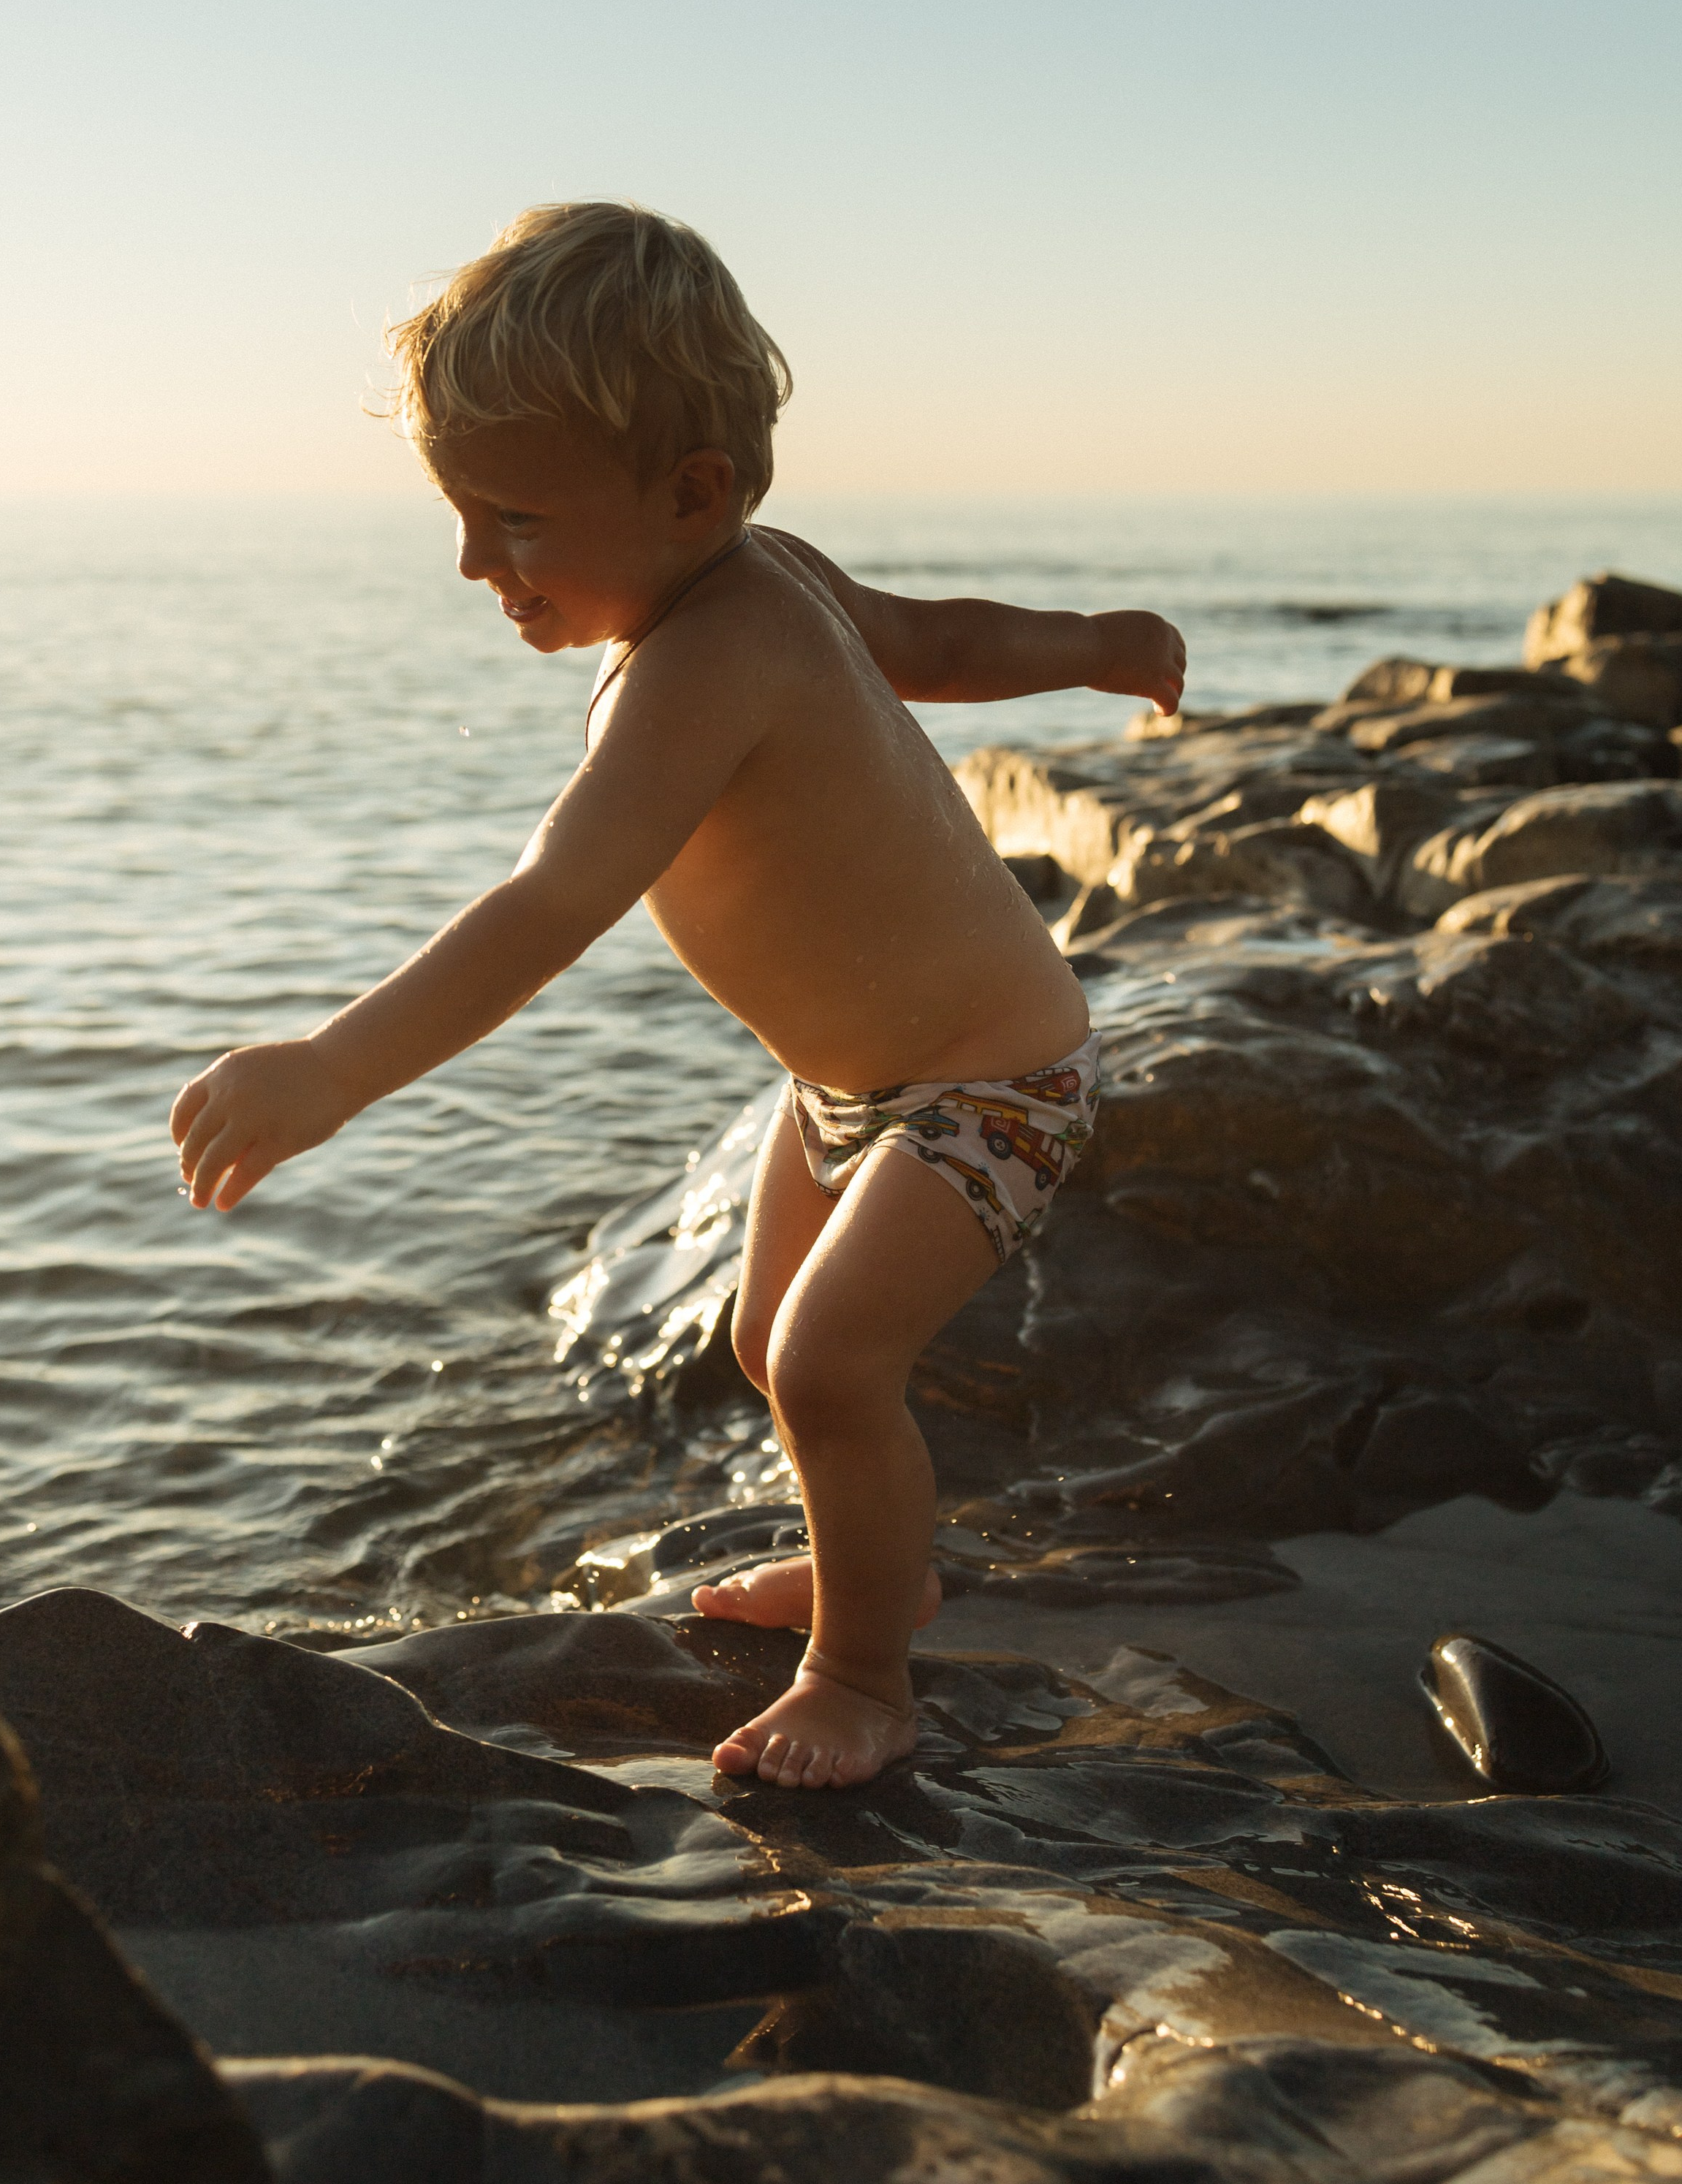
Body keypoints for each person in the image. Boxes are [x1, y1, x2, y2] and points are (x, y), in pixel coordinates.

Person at [170, 202, 1186, 1789]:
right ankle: (880, 1568)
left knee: (837, 1362)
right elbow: (940, 635)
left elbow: (550, 902)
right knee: (770, 1335)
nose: (469, 561)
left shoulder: (719, 651)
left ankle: (864, 1676)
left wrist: (332, 1069)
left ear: (691, 492)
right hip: (846, 1085)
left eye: (507, 519)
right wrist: (1100, 640)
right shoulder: (739, 584)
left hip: (990, 1084)